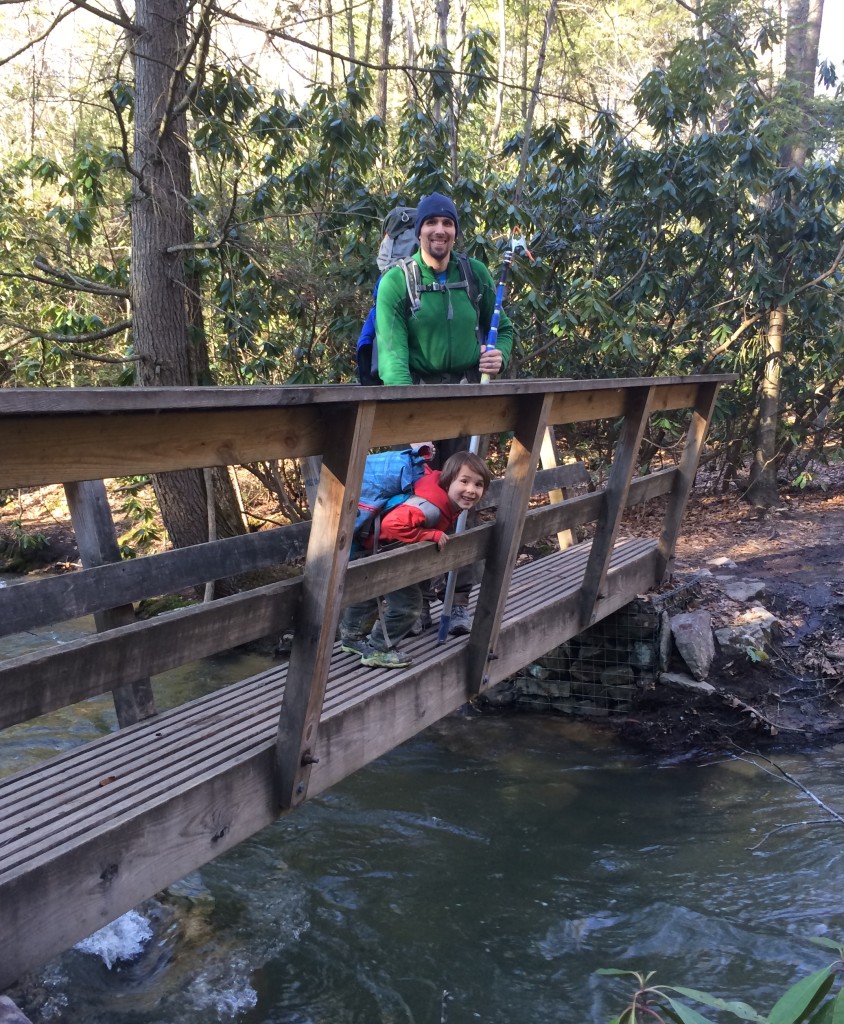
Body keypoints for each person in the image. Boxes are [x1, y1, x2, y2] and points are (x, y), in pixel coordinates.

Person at [374, 192, 513, 633]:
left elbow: (502, 328)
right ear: (419, 231)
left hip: (469, 404)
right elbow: (393, 358)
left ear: (455, 230)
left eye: (447, 224)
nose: (440, 231)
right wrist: (412, 428)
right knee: (419, 507)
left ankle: (457, 602)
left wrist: (499, 357)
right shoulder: (398, 282)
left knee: (466, 501)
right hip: (418, 406)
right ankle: (413, 608)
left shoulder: (476, 275)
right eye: (431, 223)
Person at [339, 451, 491, 668]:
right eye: (464, 481)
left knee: (370, 594)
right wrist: (429, 535)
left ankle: (351, 638)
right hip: (383, 552)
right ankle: (378, 648)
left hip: (371, 548)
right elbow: (392, 525)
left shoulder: (438, 495)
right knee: (409, 605)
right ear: (448, 482)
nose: (471, 490)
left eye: (478, 484)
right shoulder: (430, 505)